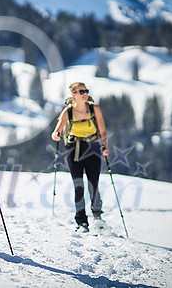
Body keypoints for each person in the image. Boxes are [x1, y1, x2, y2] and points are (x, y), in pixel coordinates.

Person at [51, 82, 109, 232]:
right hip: (74, 150)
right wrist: (56, 135)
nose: (85, 93)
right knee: (79, 185)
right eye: (81, 91)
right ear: (73, 95)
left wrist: (105, 147)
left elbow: (102, 130)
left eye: (86, 91)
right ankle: (81, 221)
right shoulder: (67, 112)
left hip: (93, 148)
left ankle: (97, 216)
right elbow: (57, 130)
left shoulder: (94, 108)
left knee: (93, 184)